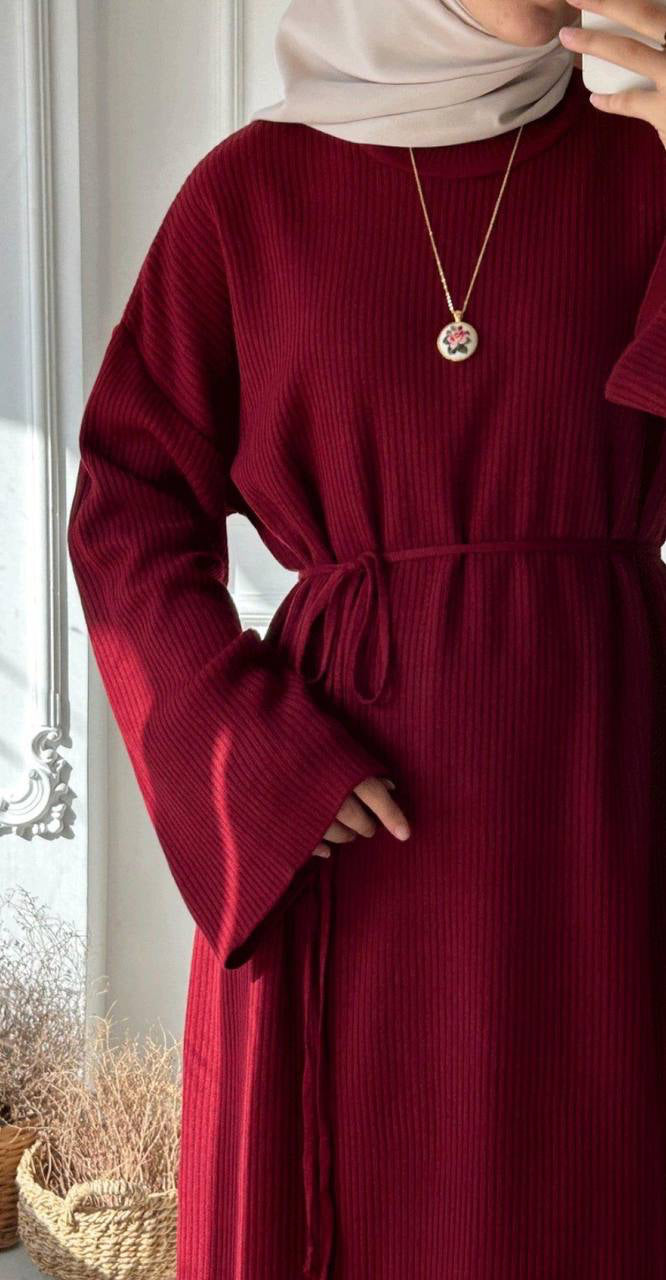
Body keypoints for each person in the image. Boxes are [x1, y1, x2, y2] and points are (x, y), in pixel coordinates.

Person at [66, 0, 666, 1275]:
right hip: (350, 818)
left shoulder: (646, 157)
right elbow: (128, 505)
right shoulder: (249, 195)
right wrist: (253, 756)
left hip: (609, 803)